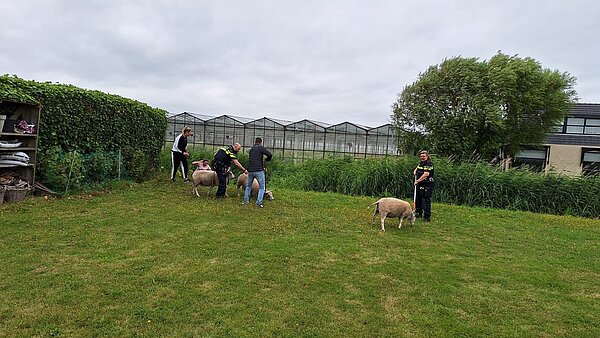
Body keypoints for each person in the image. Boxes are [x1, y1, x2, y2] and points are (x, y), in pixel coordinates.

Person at [243, 137, 273, 208]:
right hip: (258, 170)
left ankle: (245, 201)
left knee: (248, 186)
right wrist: (267, 160)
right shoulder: (260, 148)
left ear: (255, 142)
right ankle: (258, 203)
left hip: (250, 170)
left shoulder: (251, 149)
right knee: (262, 187)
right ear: (260, 142)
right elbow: (269, 154)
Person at [413, 150, 435, 222]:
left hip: (427, 184)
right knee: (418, 198)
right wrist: (415, 170)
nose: (422, 157)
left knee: (425, 200)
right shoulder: (421, 163)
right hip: (420, 184)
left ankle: (427, 217)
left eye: (423, 156)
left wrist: (418, 181)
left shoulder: (428, 164)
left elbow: (426, 174)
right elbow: (418, 168)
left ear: (427, 156)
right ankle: (418, 213)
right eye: (421, 156)